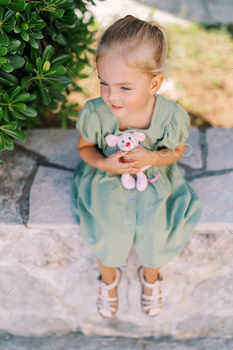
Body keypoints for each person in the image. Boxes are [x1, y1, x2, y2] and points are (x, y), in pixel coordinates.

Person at [70, 15, 203, 320]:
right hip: (107, 176)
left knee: (156, 226)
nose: (111, 96)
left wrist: (152, 158)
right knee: (106, 225)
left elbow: (176, 151)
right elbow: (84, 148)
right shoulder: (96, 112)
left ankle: (151, 276)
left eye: (124, 87)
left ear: (154, 83)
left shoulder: (169, 116)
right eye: (104, 83)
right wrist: (103, 162)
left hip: (153, 176)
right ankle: (108, 280)